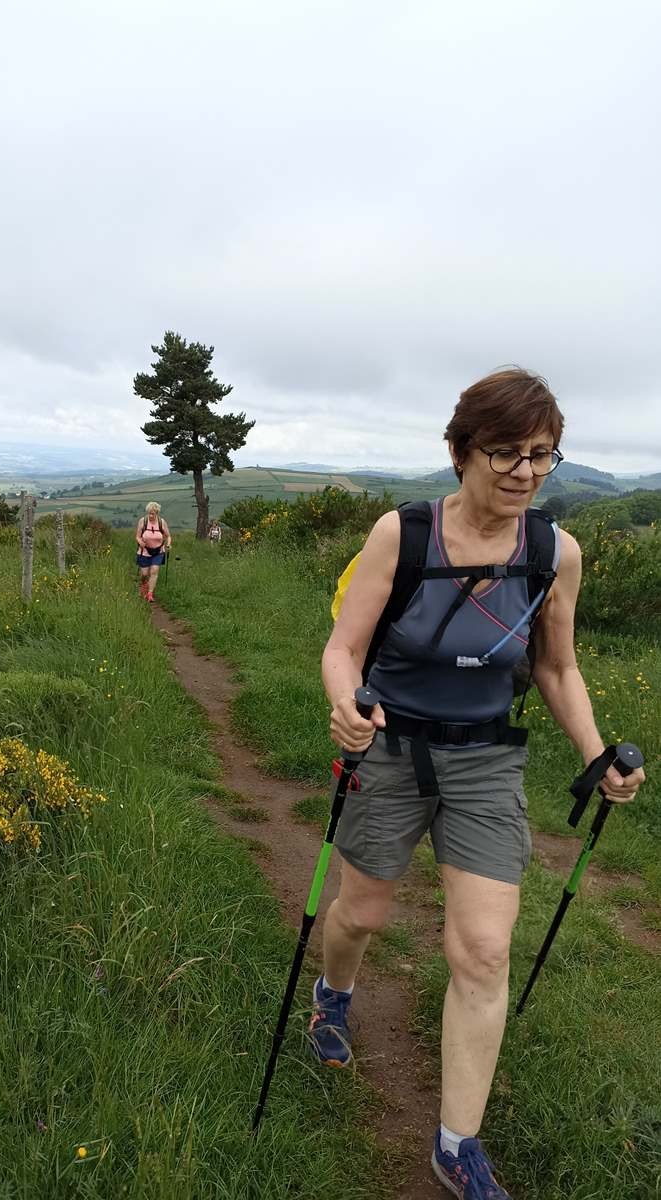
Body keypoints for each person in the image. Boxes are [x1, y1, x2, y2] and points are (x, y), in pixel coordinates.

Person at [314, 369, 645, 1198]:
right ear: (460, 451)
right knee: (362, 911)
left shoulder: (552, 553)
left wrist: (596, 754)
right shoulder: (402, 534)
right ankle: (333, 993)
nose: (523, 473)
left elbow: (556, 667)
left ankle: (456, 1144)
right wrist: (344, 710)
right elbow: (342, 649)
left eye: (541, 456)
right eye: (504, 453)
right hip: (389, 748)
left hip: (487, 758)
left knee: (485, 949)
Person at [135, 501, 171, 602]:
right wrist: (140, 542)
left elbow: (168, 536)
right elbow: (137, 536)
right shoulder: (143, 521)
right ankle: (143, 584)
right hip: (145, 551)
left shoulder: (161, 522)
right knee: (144, 574)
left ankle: (150, 594)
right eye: (149, 513)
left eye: (153, 513)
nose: (151, 515)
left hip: (158, 551)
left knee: (154, 571)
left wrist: (168, 544)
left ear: (157, 513)